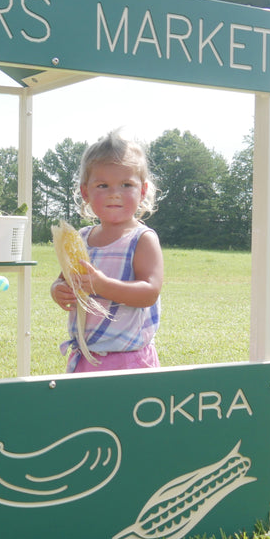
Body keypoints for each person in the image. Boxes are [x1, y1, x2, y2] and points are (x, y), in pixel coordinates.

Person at [50, 130, 163, 373]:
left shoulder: (141, 239)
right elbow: (65, 280)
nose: (114, 193)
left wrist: (101, 285)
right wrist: (58, 291)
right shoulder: (81, 239)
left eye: (126, 185)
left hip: (129, 360)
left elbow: (149, 293)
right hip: (85, 356)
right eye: (103, 185)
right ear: (85, 192)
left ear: (142, 191)